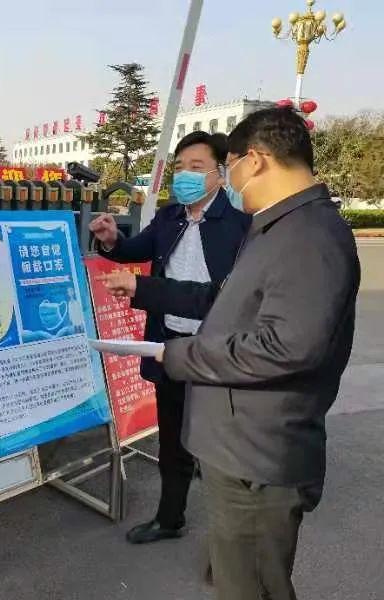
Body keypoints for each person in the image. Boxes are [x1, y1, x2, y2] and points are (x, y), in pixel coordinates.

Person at [100, 107, 360, 600]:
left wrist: (183, 355)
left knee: (252, 586)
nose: (231, 179)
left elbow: (286, 347)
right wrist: (144, 291)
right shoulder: (276, 226)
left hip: (258, 455)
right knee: (235, 576)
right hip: (238, 445)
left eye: (229, 165)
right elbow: (220, 298)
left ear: (253, 161)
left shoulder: (307, 236)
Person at [89, 131, 250, 545]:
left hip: (218, 352)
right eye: (180, 168)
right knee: (173, 438)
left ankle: (232, 540)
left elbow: (233, 297)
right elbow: (135, 249)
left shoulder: (241, 225)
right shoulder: (169, 216)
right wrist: (111, 240)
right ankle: (169, 518)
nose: (185, 176)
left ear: (220, 173)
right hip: (171, 347)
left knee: (223, 445)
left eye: (197, 167)